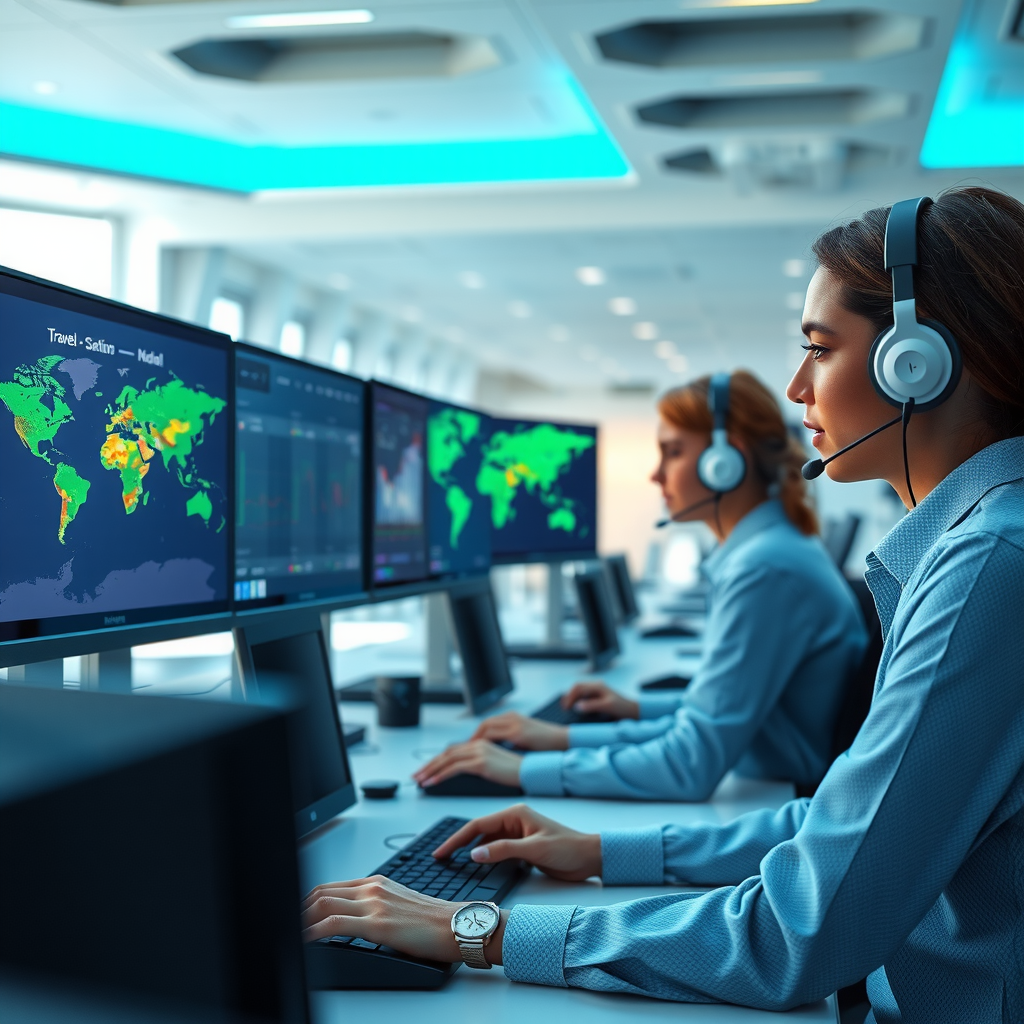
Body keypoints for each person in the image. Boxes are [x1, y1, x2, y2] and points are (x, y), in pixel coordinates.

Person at [303, 186, 1024, 1022]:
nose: (798, 387)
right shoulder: (976, 546)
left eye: (820, 350)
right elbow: (846, 825)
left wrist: (483, 930)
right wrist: (601, 850)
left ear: (919, 361)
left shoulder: (987, 564)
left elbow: (801, 928)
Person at [413, 370, 867, 800]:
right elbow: (709, 716)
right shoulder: (775, 549)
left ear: (724, 463)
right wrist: (565, 736)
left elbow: (690, 763)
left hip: (781, 797)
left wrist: (523, 770)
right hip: (770, 785)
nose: (656, 474)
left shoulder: (764, 570)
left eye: (672, 451)